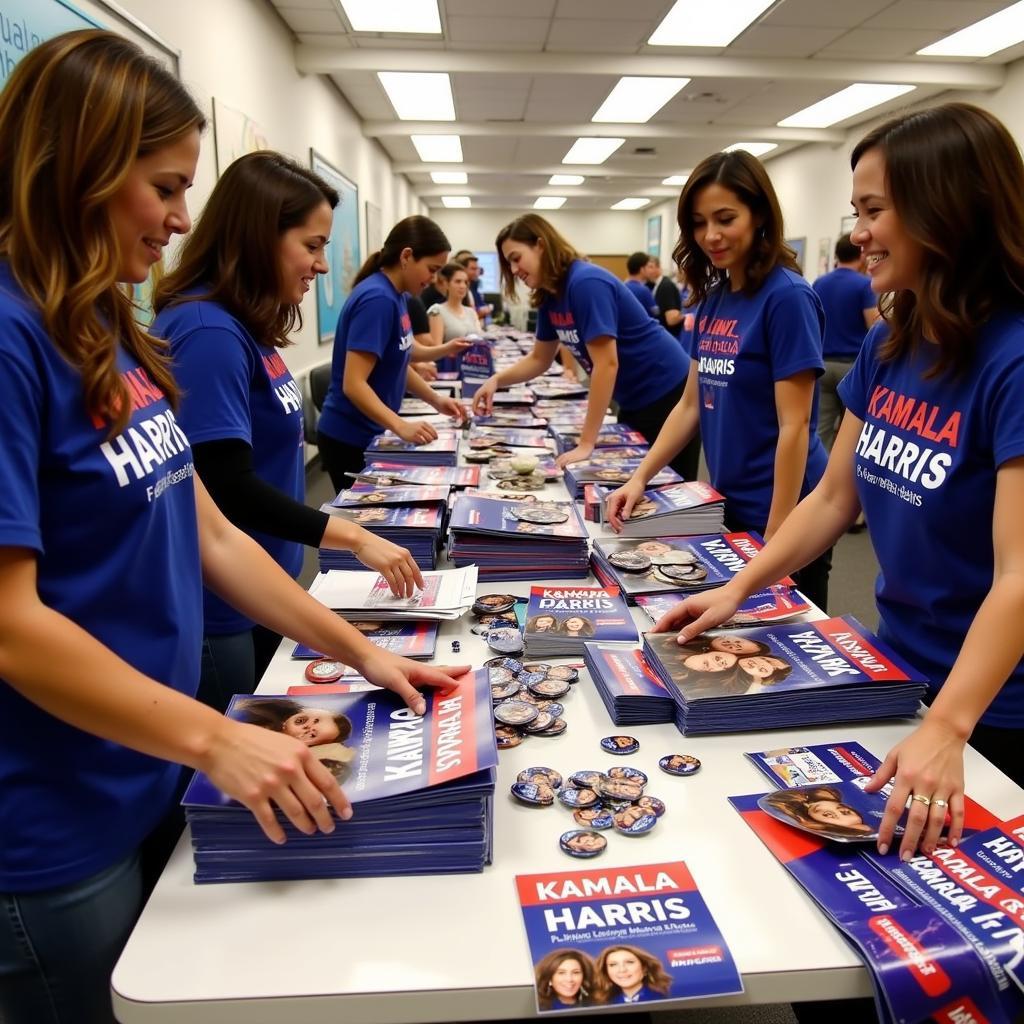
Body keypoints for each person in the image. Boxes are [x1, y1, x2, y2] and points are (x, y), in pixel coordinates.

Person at [0, 32, 468, 1024]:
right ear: (78, 171)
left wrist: (363, 651)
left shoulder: (106, 328)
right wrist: (218, 739)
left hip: (140, 767)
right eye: (163, 186)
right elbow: (9, 624)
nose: (179, 218)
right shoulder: (8, 339)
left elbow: (208, 531)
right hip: (48, 816)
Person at [654, 102, 1024, 870]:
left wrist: (951, 726)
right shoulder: (895, 343)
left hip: (991, 706)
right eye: (856, 211)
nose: (858, 232)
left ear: (949, 208)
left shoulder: (1012, 359)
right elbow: (833, 496)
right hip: (905, 672)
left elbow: (1020, 572)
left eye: (874, 210)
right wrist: (739, 589)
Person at [152, 152, 428, 708]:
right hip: (220, 607)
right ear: (259, 238)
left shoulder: (245, 325)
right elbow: (224, 486)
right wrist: (352, 535)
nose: (322, 266)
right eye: (312, 245)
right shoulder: (207, 331)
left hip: (264, 586)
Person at [606, 150, 832, 610]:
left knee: (782, 638)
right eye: (698, 222)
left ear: (759, 216)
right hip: (731, 498)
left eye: (726, 218)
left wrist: (777, 537)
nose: (711, 235)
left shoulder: (787, 298)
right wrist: (640, 477)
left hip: (787, 509)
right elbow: (690, 405)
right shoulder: (714, 298)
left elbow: (795, 426)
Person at [472, 215, 701, 480]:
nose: (513, 270)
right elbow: (539, 359)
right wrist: (497, 380)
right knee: (635, 486)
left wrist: (587, 443)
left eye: (516, 258)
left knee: (670, 487)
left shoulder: (585, 283)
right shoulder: (550, 295)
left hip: (668, 390)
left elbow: (607, 364)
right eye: (508, 263)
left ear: (541, 245)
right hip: (633, 397)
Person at [316, 216, 468, 492]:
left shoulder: (398, 296)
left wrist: (435, 399)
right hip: (349, 436)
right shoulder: (378, 299)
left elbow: (398, 362)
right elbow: (354, 384)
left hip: (369, 430)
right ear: (407, 256)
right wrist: (400, 425)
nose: (433, 280)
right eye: (431, 269)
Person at [812, 234, 879, 451]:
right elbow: (874, 325)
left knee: (821, 433)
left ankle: (820, 481)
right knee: (851, 438)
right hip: (851, 369)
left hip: (821, 365)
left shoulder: (819, 283)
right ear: (861, 256)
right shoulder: (864, 285)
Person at [427, 261, 482, 372]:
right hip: (450, 370)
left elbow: (480, 341)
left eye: (465, 282)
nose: (462, 286)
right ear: (447, 284)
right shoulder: (437, 310)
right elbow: (435, 349)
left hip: (474, 369)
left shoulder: (471, 312)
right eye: (457, 281)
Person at [761, 787, 875, 838]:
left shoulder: (787, 805)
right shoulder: (828, 791)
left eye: (828, 815)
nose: (831, 809)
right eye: (845, 812)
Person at [594, 945, 672, 1004]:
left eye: (629, 962)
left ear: (644, 968)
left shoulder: (662, 998)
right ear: (606, 972)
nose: (622, 970)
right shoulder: (607, 1003)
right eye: (613, 964)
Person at [648, 255, 685, 340]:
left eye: (651, 267)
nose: (648, 270)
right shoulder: (655, 285)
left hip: (670, 336)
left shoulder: (666, 286)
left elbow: (671, 319)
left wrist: (688, 315)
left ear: (658, 268)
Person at [453, 248, 493, 319]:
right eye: (473, 269)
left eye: (477, 269)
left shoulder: (473, 286)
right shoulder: (458, 289)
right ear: (462, 269)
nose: (477, 272)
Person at [624, 251, 660, 320]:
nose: (650, 270)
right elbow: (656, 313)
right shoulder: (644, 290)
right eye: (648, 267)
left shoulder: (623, 286)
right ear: (642, 269)